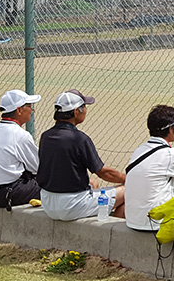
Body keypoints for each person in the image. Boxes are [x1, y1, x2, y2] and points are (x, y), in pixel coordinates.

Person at [38, 89, 126, 221]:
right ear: (75, 111)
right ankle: (110, 234)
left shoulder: (46, 136)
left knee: (93, 183)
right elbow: (103, 172)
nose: (85, 110)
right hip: (72, 206)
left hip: (48, 203)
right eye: (84, 107)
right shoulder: (79, 139)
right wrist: (127, 179)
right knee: (127, 191)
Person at [125, 105, 174, 233]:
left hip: (133, 221)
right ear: (170, 130)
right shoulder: (171, 155)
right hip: (158, 224)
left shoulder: (139, 150)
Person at [0, 89, 42, 209]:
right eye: (29, 107)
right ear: (19, 110)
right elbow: (38, 167)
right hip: (5, 194)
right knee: (51, 184)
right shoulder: (20, 134)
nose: (32, 110)